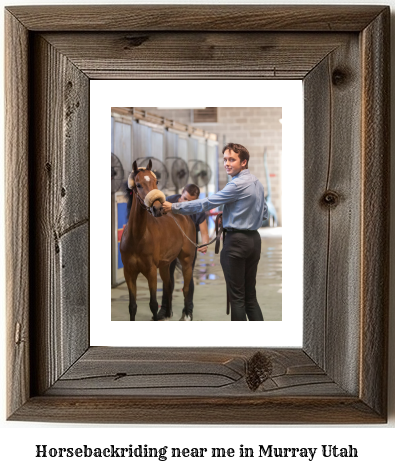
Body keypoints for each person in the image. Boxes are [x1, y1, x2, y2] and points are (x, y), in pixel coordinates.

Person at [163, 143, 268, 321]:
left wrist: (173, 207)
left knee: (237, 298)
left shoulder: (235, 185)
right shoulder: (257, 183)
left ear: (243, 162)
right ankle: (262, 343)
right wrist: (236, 214)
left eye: (232, 160)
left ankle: (241, 347)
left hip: (236, 243)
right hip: (254, 241)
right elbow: (264, 214)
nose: (226, 163)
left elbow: (205, 204)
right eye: (225, 159)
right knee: (250, 297)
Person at [158, 183, 209, 321]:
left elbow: (204, 232)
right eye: (185, 199)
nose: (186, 203)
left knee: (188, 276)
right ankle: (165, 309)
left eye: (190, 201)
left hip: (188, 246)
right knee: (167, 276)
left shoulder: (198, 208)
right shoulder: (169, 201)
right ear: (181, 193)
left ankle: (188, 310)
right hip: (170, 245)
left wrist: (204, 243)